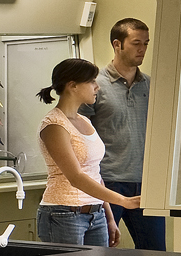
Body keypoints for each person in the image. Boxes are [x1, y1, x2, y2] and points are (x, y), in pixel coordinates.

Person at [36, 58, 140, 246]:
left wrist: (108, 216)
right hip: (63, 214)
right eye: (91, 81)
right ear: (72, 86)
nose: (97, 87)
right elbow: (76, 177)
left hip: (96, 213)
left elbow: (94, 173)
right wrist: (123, 201)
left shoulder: (85, 120)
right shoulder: (53, 125)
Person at [82, 17, 164, 250]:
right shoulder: (94, 85)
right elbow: (79, 136)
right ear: (117, 45)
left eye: (146, 43)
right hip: (108, 181)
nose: (142, 49)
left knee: (156, 255)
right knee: (103, 252)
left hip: (147, 183)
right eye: (136, 43)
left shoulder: (152, 85)